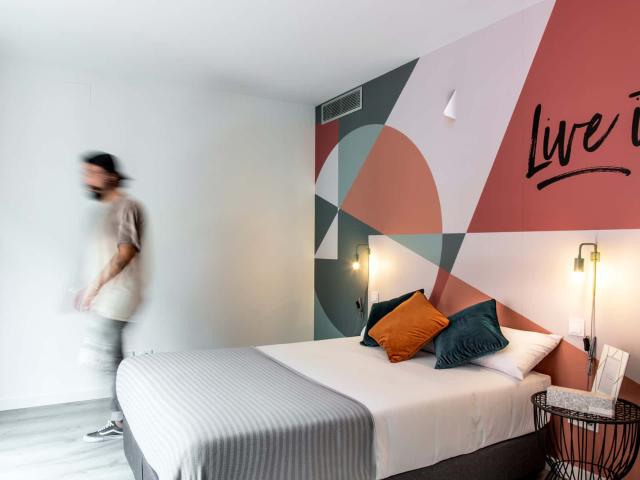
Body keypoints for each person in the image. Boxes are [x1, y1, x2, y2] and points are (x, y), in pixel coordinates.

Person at [76, 152, 145, 442]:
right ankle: (124, 417)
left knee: (110, 360)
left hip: (120, 296)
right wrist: (89, 288)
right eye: (86, 173)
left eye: (93, 173)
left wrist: (94, 287)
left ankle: (121, 421)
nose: (88, 179)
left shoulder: (127, 207)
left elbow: (126, 252)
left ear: (112, 176)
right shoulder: (106, 211)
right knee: (110, 359)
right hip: (107, 296)